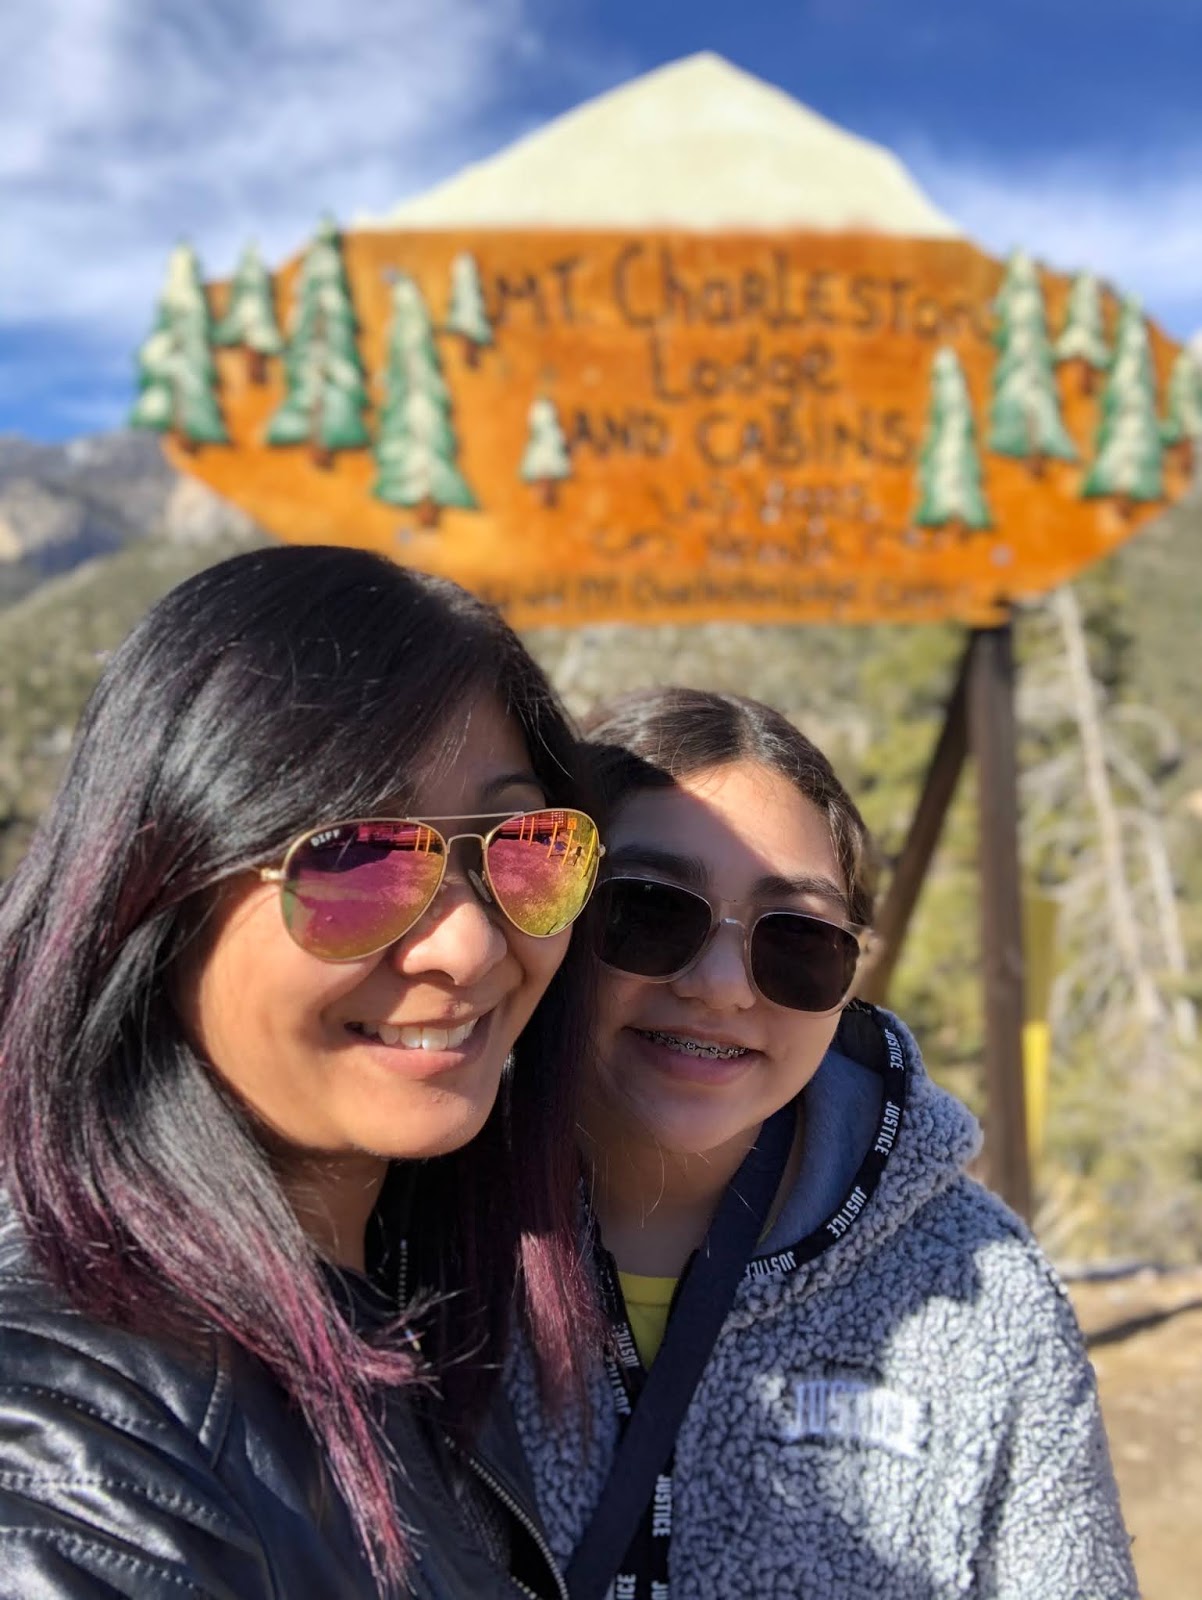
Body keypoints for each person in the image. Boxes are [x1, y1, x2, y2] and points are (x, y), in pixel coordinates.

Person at [0, 544, 605, 1598]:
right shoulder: (76, 1440)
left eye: (520, 847)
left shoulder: (417, 1295)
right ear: (159, 893)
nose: (468, 946)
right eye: (358, 858)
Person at [508, 685, 1139, 1600]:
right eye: (647, 912)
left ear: (852, 975)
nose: (722, 986)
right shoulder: (402, 1243)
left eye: (798, 942)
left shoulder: (981, 1289)